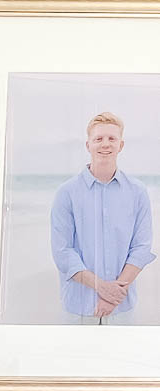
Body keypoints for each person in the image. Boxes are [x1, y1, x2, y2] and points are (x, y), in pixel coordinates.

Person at [50, 111, 155, 323]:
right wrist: (101, 287)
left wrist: (113, 296)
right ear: (88, 145)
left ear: (121, 145)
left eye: (111, 139)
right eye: (98, 139)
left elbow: (141, 247)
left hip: (122, 306)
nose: (105, 144)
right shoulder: (66, 192)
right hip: (78, 306)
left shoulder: (138, 192)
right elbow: (63, 252)